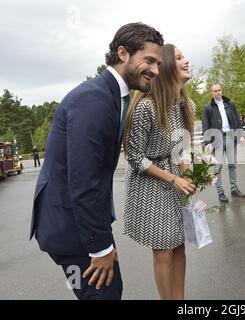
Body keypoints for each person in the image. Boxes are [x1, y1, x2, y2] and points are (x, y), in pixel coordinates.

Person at [29, 23, 164, 300]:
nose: (156, 70)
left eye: (158, 63)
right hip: (72, 229)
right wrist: (100, 247)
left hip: (80, 224)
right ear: (123, 53)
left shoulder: (111, 96)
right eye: (149, 60)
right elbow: (83, 181)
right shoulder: (94, 100)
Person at [122, 44, 195, 300]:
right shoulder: (146, 107)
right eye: (178, 58)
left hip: (177, 181)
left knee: (180, 247)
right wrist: (172, 177)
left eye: (184, 56)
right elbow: (134, 157)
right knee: (164, 251)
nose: (186, 61)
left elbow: (183, 148)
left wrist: (189, 173)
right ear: (164, 68)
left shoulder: (188, 104)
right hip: (151, 184)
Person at [201, 84, 245, 203]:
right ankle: (220, 192)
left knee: (232, 164)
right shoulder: (208, 108)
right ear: (212, 93)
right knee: (218, 167)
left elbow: (237, 119)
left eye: (219, 90)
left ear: (222, 90)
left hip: (230, 137)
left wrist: (241, 134)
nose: (217, 92)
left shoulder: (230, 104)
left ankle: (234, 189)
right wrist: (207, 143)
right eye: (215, 91)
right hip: (217, 139)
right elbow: (205, 126)